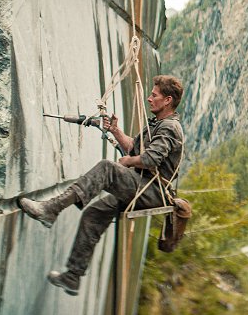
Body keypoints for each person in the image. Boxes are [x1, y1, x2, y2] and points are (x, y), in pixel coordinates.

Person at [19, 75, 184, 296]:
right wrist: (116, 131)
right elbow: (135, 148)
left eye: (154, 95)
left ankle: (51, 209)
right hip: (144, 186)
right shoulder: (159, 124)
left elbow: (150, 159)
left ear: (167, 100)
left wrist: (127, 162)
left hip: (150, 190)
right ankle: (73, 276)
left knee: (107, 168)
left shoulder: (170, 128)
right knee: (95, 214)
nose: (148, 98)